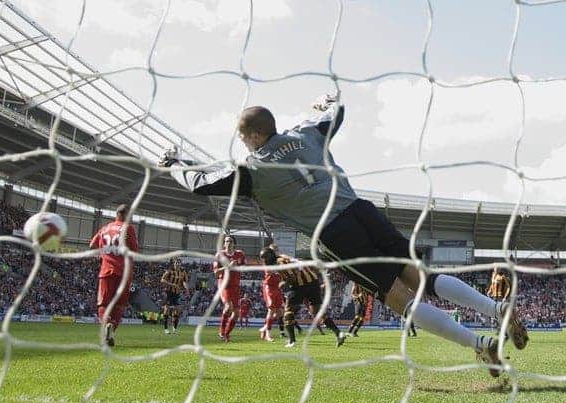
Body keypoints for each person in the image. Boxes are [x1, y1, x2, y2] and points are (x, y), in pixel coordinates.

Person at [163, 94, 528, 377]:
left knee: (398, 298)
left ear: (256, 135)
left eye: (244, 137)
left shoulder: (253, 170)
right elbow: (335, 111)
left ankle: (480, 344)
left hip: (335, 233)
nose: (243, 144)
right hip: (361, 210)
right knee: (423, 278)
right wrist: (326, 101)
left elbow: (202, 184)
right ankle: (497, 309)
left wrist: (174, 165)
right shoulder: (307, 132)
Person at [260, 247, 345, 348]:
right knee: (317, 312)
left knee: (288, 312)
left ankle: (292, 341)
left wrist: (283, 283)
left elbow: (292, 278)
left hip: (300, 285)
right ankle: (338, 333)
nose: (264, 261)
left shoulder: (279, 262)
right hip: (313, 282)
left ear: (269, 257)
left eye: (264, 259)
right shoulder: (284, 257)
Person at [89, 204, 139, 347]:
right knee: (119, 305)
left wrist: (105, 252)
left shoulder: (104, 228)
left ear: (116, 214)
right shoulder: (128, 228)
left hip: (106, 271)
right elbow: (134, 250)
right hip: (124, 273)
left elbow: (92, 245)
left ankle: (107, 323)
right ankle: (112, 326)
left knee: (103, 303)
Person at [213, 235, 245, 342]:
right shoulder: (219, 255)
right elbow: (216, 272)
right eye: (227, 241)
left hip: (235, 286)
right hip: (224, 284)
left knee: (236, 314)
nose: (229, 243)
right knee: (228, 307)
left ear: (234, 243)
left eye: (231, 241)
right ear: (224, 244)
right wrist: (228, 266)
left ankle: (226, 334)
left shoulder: (240, 254)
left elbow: (244, 267)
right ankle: (221, 331)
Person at [259, 255, 284, 342]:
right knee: (271, 310)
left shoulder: (279, 262)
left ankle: (264, 328)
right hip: (269, 287)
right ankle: (268, 334)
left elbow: (282, 277)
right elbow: (269, 271)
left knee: (280, 313)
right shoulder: (267, 263)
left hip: (277, 288)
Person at [161, 258, 189, 334]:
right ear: (174, 263)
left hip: (177, 293)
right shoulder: (169, 271)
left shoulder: (183, 272)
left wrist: (186, 289)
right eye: (176, 263)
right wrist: (172, 284)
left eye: (179, 263)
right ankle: (166, 329)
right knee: (167, 309)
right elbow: (162, 280)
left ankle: (174, 328)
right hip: (168, 292)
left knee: (178, 310)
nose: (177, 264)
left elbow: (184, 282)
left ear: (181, 264)